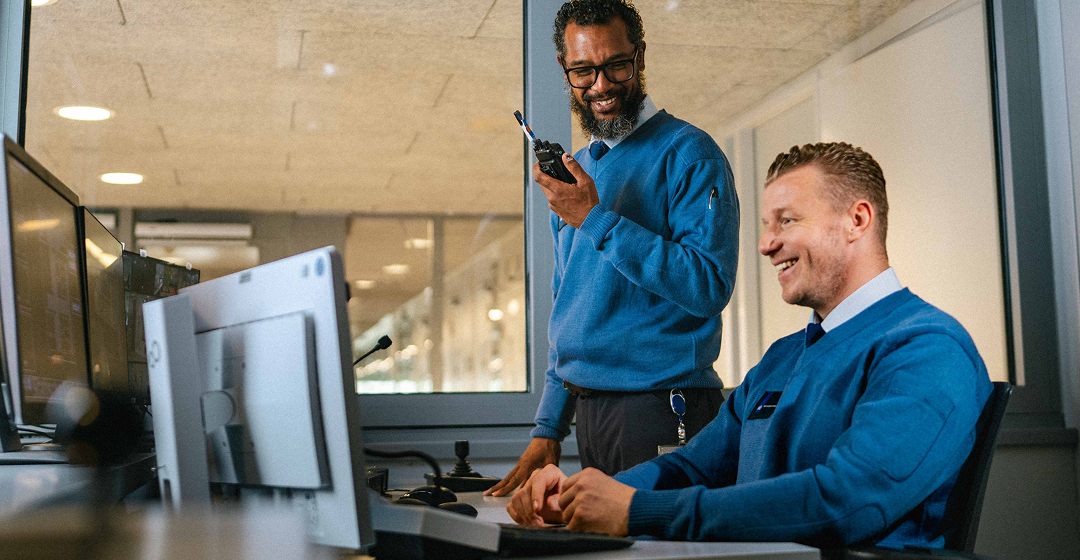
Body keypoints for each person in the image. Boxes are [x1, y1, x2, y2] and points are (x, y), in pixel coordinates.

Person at [506, 142, 994, 550]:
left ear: (858, 220)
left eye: (786, 221)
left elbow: (844, 504)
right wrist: (580, 495)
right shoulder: (784, 358)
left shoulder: (927, 349)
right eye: (766, 225)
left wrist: (637, 511)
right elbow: (693, 466)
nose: (765, 244)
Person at [486, 0, 740, 495]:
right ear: (566, 71)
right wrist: (548, 427)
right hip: (591, 416)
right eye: (583, 71)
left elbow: (708, 284)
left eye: (615, 65)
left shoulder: (690, 153)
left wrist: (595, 219)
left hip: (664, 410)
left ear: (640, 58)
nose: (600, 86)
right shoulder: (577, 171)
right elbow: (571, 310)